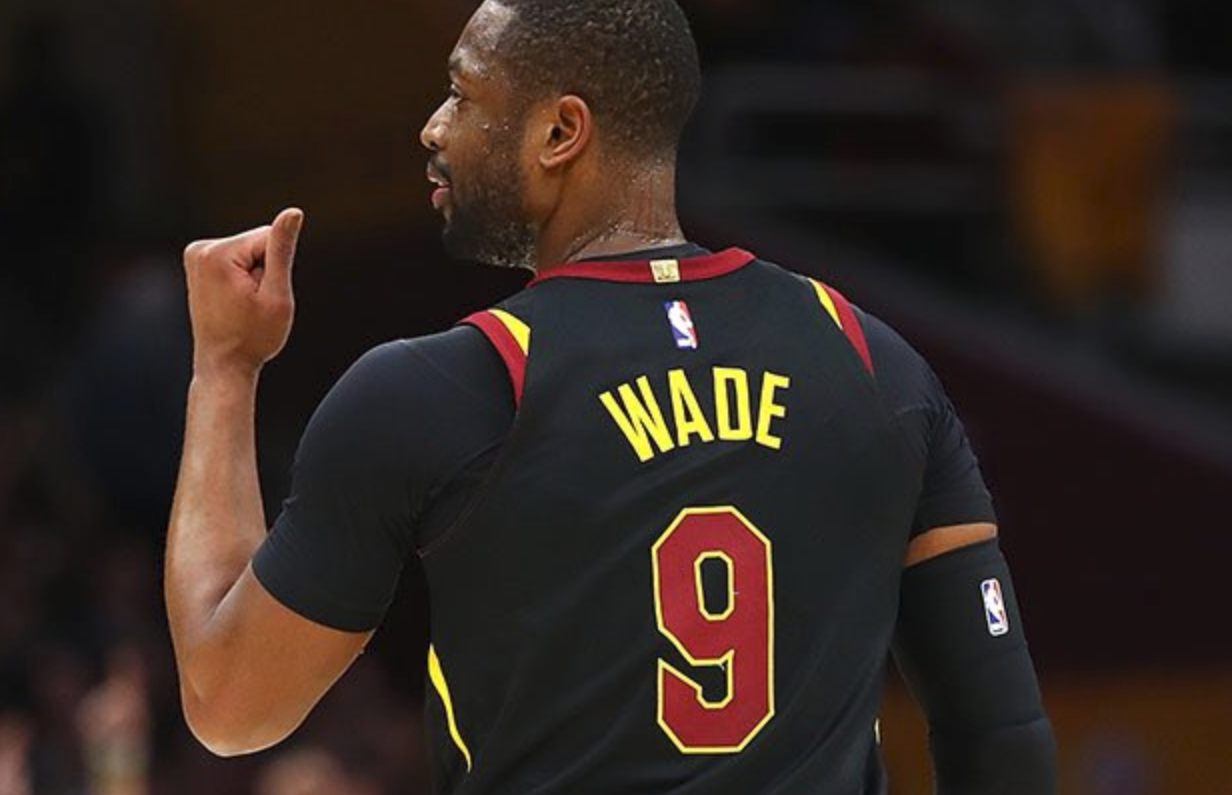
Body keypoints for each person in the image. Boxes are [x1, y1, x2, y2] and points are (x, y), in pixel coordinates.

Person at [164, 1, 1058, 793]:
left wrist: (227, 366)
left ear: (562, 132)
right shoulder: (875, 362)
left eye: (463, 96)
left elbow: (229, 702)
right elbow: (1002, 741)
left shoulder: (438, 391)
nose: (433, 128)